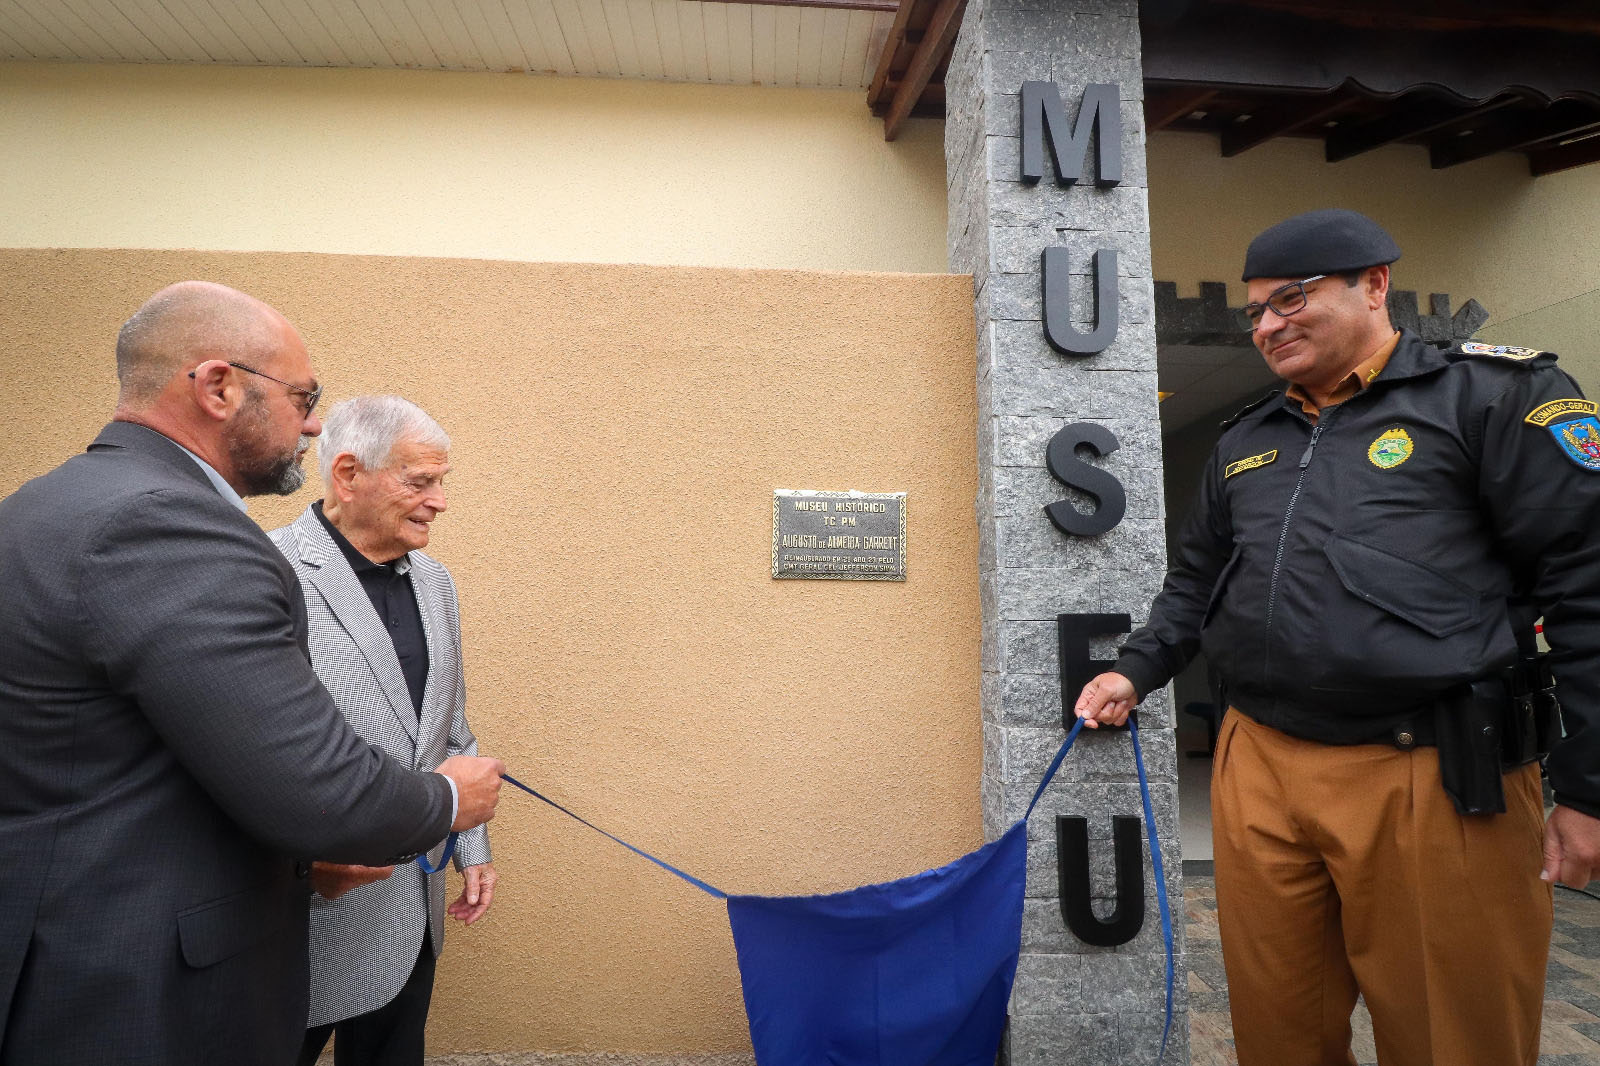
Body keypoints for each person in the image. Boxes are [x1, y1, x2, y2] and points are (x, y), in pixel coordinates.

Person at [1074, 210, 1600, 1066]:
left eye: (1291, 298)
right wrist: (1137, 670)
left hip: (1432, 770)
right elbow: (1196, 583)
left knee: (1452, 1041)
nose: (1267, 326)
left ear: (1375, 284)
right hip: (1260, 761)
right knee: (1279, 1035)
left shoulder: (1496, 398)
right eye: (1255, 312)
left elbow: (1588, 590)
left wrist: (1589, 788)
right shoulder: (1248, 438)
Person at [0, 282, 507, 1066]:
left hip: (91, 945)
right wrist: (447, 801)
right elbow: (308, 778)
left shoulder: (42, 506)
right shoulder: (179, 533)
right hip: (137, 981)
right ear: (218, 387)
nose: (311, 422)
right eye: (303, 398)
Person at [271, 396, 495, 1066]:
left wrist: (470, 843)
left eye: (441, 482)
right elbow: (240, 755)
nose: (439, 502)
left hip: (411, 910)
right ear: (348, 475)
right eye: (420, 482)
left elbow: (450, 729)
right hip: (306, 915)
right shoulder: (268, 570)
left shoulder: (436, 583)